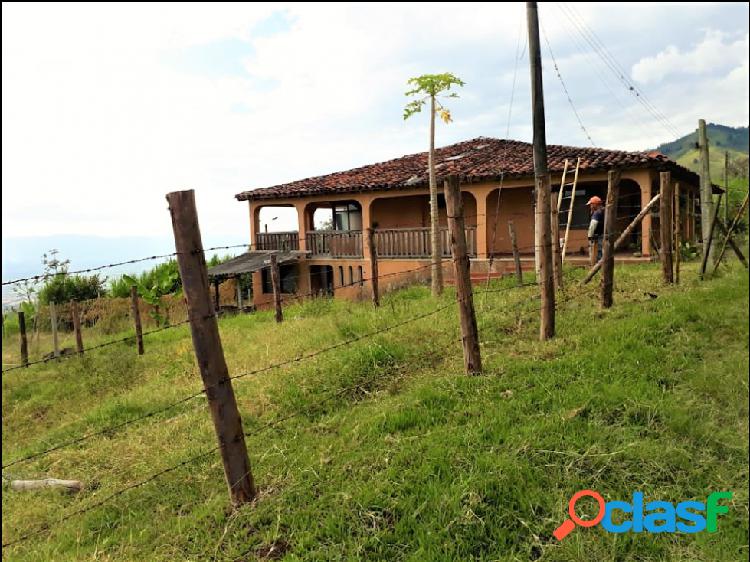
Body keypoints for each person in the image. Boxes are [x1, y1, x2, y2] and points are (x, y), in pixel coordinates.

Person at [587, 196, 604, 262]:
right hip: (604, 232)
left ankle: (600, 264)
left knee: (599, 250)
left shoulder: (597, 212)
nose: (590, 206)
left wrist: (590, 236)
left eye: (591, 204)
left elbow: (593, 225)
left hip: (599, 234)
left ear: (595, 204)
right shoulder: (603, 210)